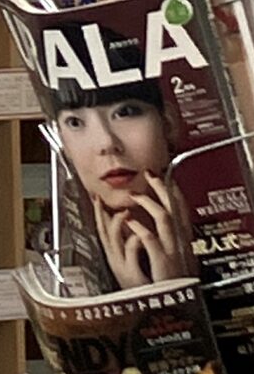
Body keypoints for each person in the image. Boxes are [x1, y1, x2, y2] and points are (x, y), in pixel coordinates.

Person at [54, 82, 194, 290]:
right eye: (75, 122)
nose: (106, 144)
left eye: (126, 112)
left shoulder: (233, 230)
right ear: (63, 145)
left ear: (168, 124)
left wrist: (177, 287)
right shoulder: (65, 253)